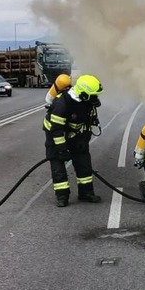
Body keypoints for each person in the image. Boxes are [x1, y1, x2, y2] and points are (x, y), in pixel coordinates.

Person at [43, 73, 103, 207]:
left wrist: (84, 139)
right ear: (83, 94)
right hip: (54, 133)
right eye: (93, 95)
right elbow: (56, 129)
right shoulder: (62, 104)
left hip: (74, 134)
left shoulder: (87, 102)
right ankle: (62, 196)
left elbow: (89, 121)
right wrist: (61, 149)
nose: (96, 98)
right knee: (58, 164)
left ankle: (86, 193)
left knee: (83, 162)